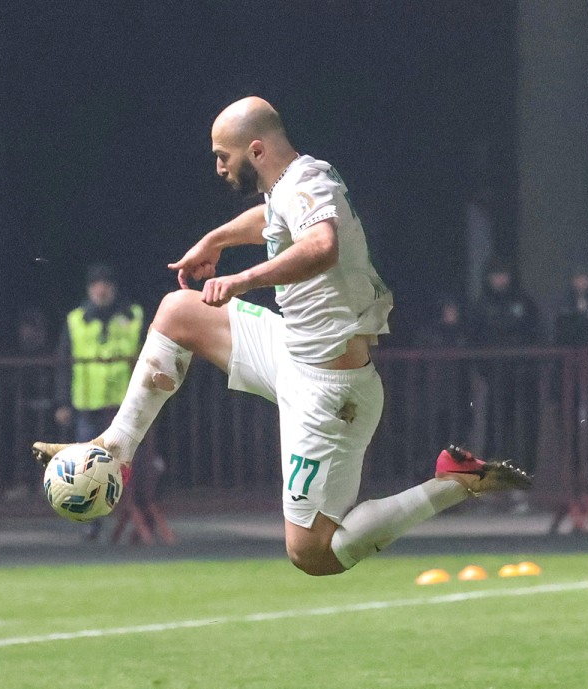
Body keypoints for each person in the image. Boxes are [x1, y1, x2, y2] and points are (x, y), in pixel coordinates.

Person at [33, 97, 531, 575]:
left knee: (313, 554)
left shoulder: (308, 181)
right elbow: (273, 219)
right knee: (178, 312)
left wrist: (244, 279)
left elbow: (322, 245)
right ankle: (115, 448)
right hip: (291, 350)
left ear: (256, 149)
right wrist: (215, 240)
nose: (219, 168)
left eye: (223, 156)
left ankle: (451, 484)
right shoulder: (291, 184)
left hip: (330, 393)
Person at [53, 264, 144, 539]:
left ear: (113, 288)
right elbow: (62, 363)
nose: (101, 289)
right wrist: (62, 403)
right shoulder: (75, 320)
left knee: (128, 466)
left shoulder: (133, 316)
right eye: (96, 284)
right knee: (87, 467)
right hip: (88, 406)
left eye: (106, 284)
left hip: (123, 405)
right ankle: (92, 519)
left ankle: (134, 514)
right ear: (89, 289)